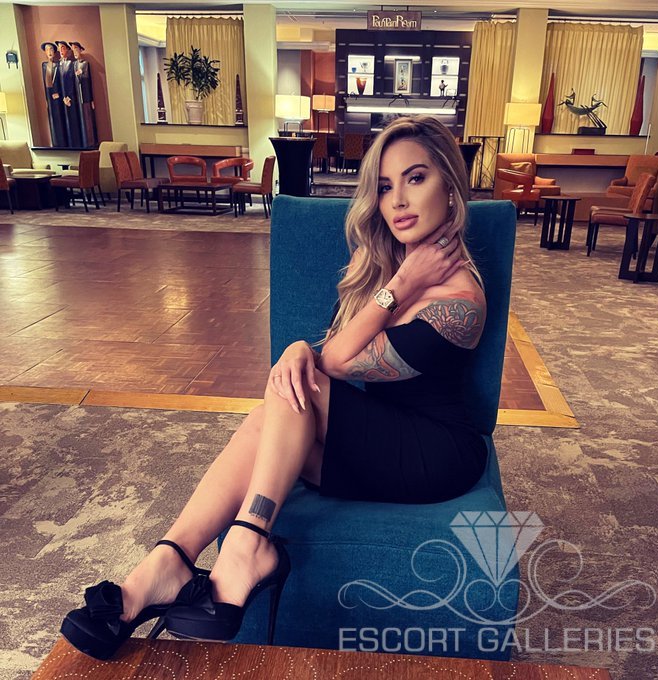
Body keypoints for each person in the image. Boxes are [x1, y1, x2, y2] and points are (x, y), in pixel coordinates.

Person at [60, 115, 488, 659]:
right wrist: (298, 347)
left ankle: (243, 544)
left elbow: (336, 361)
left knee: (300, 388)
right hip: (377, 441)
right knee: (277, 409)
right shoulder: (380, 261)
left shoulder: (459, 302)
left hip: (436, 455)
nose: (398, 200)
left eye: (416, 178)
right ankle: (170, 559)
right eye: (384, 186)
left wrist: (401, 287)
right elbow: (327, 350)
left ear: (450, 186)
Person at [69, 41, 98, 148]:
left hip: (85, 97)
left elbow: (87, 80)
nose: (74, 51)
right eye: (73, 49)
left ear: (80, 50)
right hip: (77, 97)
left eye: (76, 48)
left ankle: (90, 143)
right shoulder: (73, 65)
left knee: (88, 120)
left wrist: (91, 99)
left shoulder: (85, 64)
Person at [41, 41, 67, 147]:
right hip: (49, 98)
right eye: (47, 50)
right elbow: (45, 83)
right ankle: (55, 144)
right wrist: (47, 97)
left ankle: (62, 143)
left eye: (51, 49)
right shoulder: (44, 66)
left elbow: (62, 82)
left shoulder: (58, 65)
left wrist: (58, 93)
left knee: (60, 119)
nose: (49, 52)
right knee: (52, 120)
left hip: (58, 97)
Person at [55, 40, 81, 148]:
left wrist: (68, 97)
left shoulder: (71, 64)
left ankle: (75, 145)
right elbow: (57, 82)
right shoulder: (57, 65)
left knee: (73, 121)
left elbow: (71, 81)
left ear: (67, 50)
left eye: (63, 48)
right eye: (59, 48)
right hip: (61, 99)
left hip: (70, 98)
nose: (61, 50)